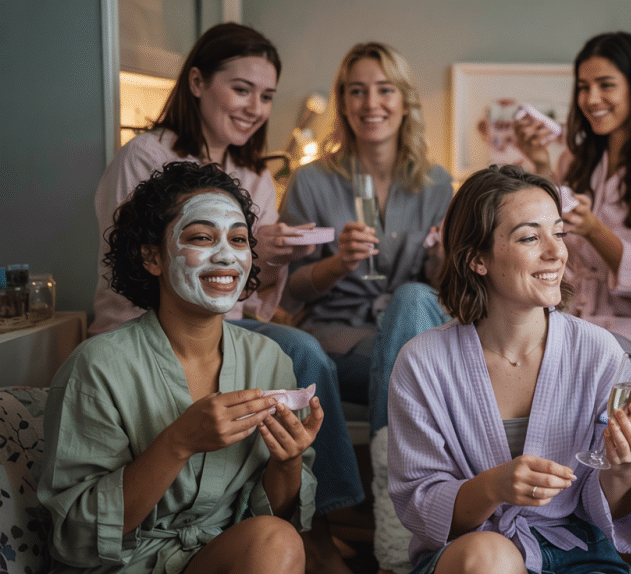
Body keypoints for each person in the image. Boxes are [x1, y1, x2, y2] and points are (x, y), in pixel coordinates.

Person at [86, 23, 364, 560]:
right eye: (241, 89)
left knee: (291, 350)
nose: (255, 107)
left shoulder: (255, 178)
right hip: (146, 316)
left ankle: (305, 515)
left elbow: (251, 300)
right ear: (196, 81)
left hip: (227, 325)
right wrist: (249, 250)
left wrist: (271, 257)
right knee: (305, 350)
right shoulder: (145, 157)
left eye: (266, 96)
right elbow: (131, 266)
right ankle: (322, 531)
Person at [39, 161, 322, 574]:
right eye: (202, 237)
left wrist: (289, 461)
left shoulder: (268, 360)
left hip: (219, 558)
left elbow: (275, 518)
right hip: (121, 565)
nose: (226, 254)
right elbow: (74, 539)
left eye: (239, 239)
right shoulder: (99, 366)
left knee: (278, 539)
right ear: (152, 257)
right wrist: (178, 443)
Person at [387, 165, 631, 574]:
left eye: (559, 232)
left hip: (578, 553)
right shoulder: (422, 362)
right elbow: (421, 504)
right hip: (472, 554)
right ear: (477, 259)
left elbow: (614, 508)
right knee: (491, 558)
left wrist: (622, 467)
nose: (556, 252)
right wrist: (495, 486)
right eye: (531, 237)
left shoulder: (598, 350)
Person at [280, 41, 452, 436]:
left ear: (405, 102)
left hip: (414, 331)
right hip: (339, 333)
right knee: (410, 370)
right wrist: (338, 264)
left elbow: (444, 288)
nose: (370, 102)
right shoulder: (311, 181)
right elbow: (288, 292)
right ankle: (396, 479)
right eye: (356, 90)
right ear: (343, 103)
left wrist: (441, 260)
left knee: (412, 307)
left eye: (384, 89)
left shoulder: (437, 184)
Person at [513, 31, 631, 351]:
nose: (591, 99)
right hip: (569, 316)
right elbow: (555, 237)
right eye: (584, 88)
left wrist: (595, 230)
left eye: (606, 85)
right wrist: (540, 164)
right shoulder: (574, 159)